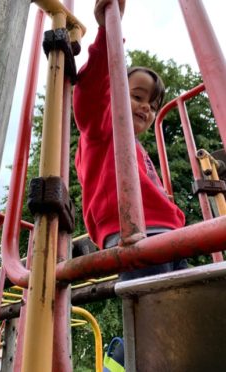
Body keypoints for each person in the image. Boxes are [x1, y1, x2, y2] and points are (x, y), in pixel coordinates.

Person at [73, 0, 188, 280]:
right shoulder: (103, 128)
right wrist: (107, 32)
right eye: (137, 96)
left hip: (170, 235)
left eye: (153, 104)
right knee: (154, 315)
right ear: (114, 93)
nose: (147, 108)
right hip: (135, 232)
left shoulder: (135, 150)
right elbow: (91, 91)